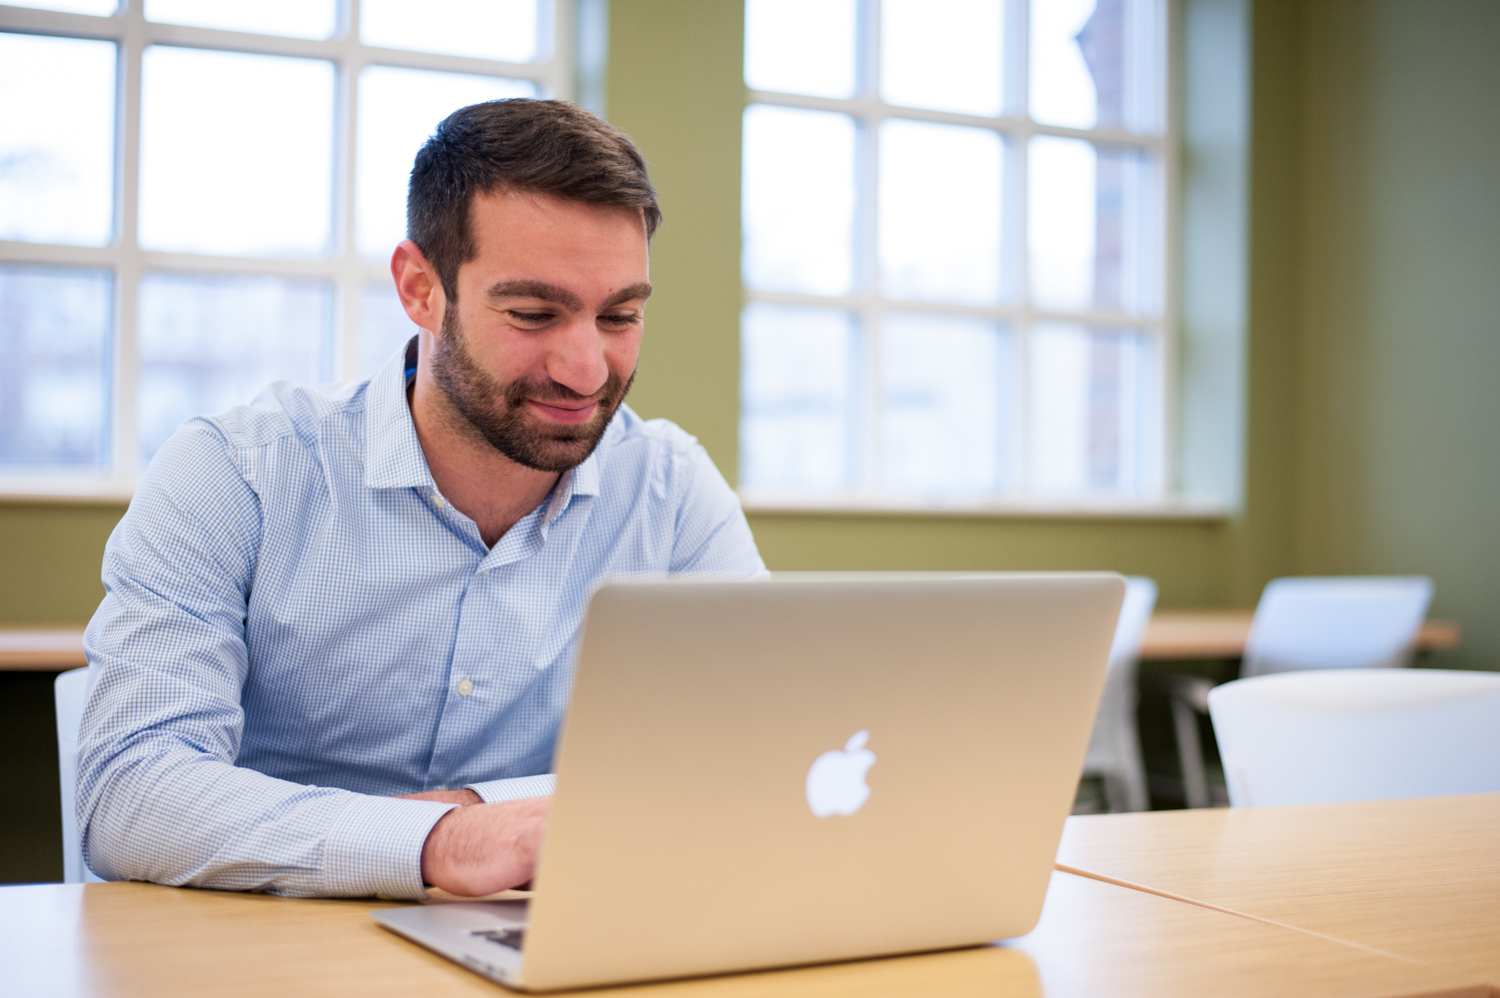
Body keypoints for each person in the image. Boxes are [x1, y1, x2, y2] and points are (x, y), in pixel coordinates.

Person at [77, 99, 765, 900]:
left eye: (620, 316)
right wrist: (435, 844)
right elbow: (128, 792)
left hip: (532, 951)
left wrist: (480, 814)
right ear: (419, 288)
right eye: (534, 314)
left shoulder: (672, 492)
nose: (586, 369)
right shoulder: (237, 474)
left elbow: (749, 758)